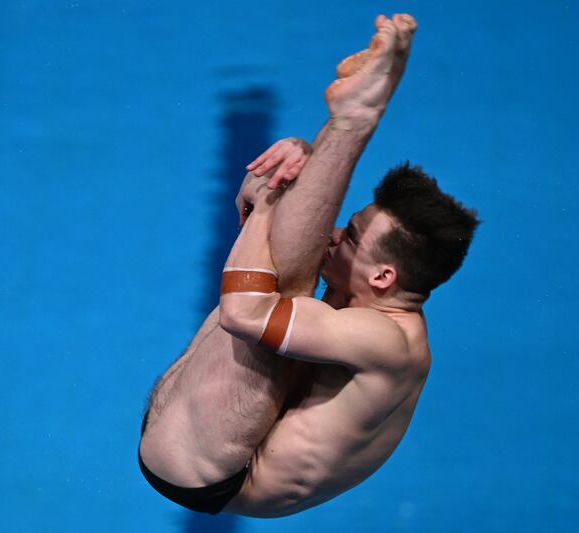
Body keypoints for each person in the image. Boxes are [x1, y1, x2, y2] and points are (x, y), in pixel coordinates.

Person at [139, 13, 474, 517]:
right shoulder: (377, 308)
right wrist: (297, 167)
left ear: (384, 276)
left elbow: (244, 313)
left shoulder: (382, 340)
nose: (337, 234)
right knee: (292, 267)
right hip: (210, 437)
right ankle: (349, 123)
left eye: (353, 238)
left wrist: (269, 198)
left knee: (285, 287)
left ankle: (355, 121)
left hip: (207, 474)